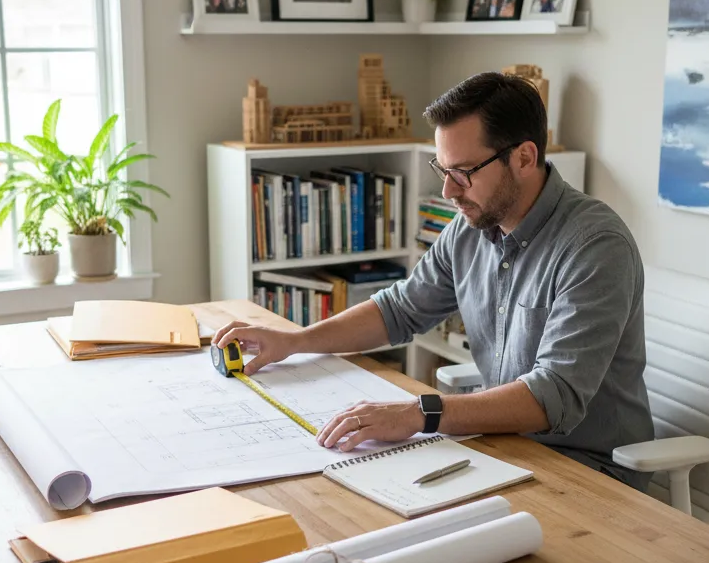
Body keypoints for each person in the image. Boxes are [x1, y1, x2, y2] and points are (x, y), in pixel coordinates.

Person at [213, 72, 654, 488]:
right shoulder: (472, 227)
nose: (448, 192)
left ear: (523, 157)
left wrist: (418, 414)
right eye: (442, 171)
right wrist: (293, 342)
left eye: (462, 173)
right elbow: (399, 310)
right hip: (504, 448)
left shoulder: (595, 246)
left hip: (590, 471)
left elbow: (552, 395)